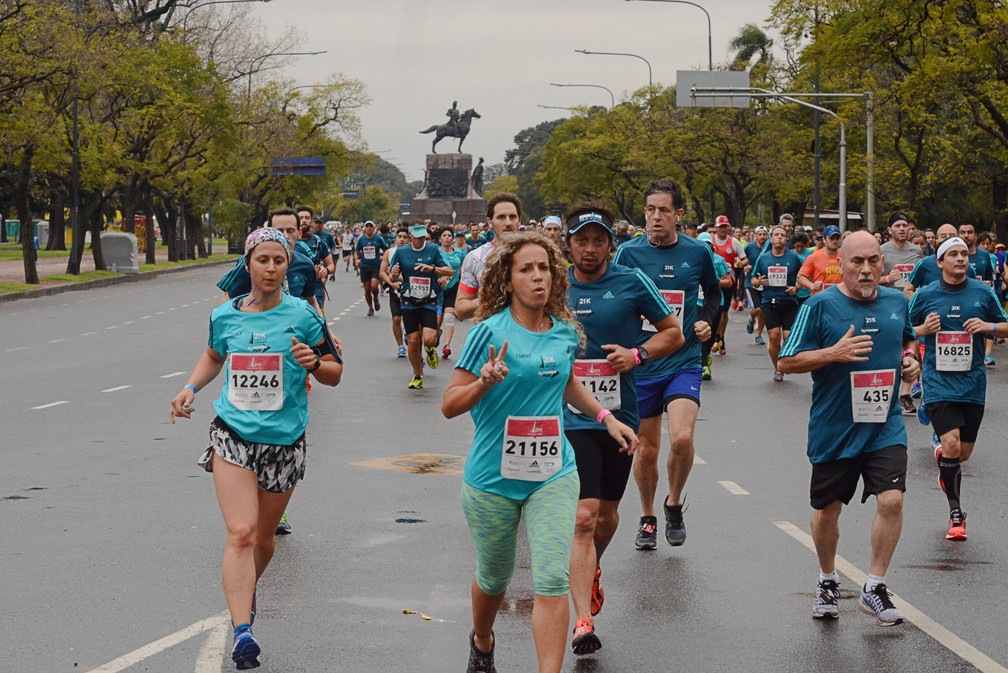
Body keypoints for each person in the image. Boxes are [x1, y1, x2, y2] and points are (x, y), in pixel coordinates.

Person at [441, 232, 639, 673]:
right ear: (508, 281)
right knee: (494, 579)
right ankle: (482, 638)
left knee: (551, 579)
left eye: (544, 268)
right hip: (492, 479)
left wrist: (608, 419)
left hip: (553, 473)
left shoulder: (566, 333)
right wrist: (483, 381)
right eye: (526, 269)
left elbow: (567, 382)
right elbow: (449, 405)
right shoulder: (488, 332)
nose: (537, 277)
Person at [169, 227, 343, 669]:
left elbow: (335, 371)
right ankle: (243, 628)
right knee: (241, 533)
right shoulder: (224, 315)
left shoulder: (304, 314)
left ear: (287, 266)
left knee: (263, 539)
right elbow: (213, 355)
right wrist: (190, 387)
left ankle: (246, 591)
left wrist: (315, 362)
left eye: (278, 261)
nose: (270, 268)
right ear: (247, 264)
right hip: (233, 434)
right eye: (262, 260)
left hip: (284, 442)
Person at [778, 231, 919, 627]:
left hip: (884, 425)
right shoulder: (821, 305)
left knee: (892, 501)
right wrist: (832, 354)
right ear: (842, 262)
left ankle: (874, 586)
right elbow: (786, 362)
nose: (867, 269)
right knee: (827, 512)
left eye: (874, 260)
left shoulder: (896, 301)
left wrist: (910, 361)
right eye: (858, 261)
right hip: (835, 427)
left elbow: (906, 341)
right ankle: (827, 578)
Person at [562, 203, 683, 655]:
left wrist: (637, 355)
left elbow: (673, 331)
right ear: (568, 244)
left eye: (598, 241)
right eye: (581, 241)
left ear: (610, 244)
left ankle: (589, 569)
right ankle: (582, 620)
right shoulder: (553, 285)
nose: (589, 249)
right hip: (568, 415)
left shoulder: (631, 282)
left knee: (607, 516)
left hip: (621, 417)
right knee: (583, 514)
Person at [612, 179, 720, 549]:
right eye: (650, 210)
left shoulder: (697, 252)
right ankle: (647, 516)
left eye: (664, 210)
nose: (656, 217)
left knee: (684, 437)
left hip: (683, 359)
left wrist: (707, 320)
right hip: (641, 363)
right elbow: (614, 296)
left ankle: (674, 502)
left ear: (679, 215)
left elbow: (715, 292)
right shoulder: (627, 254)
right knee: (647, 449)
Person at [908, 236, 1008, 540]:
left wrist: (988, 327)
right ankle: (955, 514)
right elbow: (901, 330)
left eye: (964, 253)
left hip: (972, 383)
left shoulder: (983, 293)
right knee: (951, 445)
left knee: (962, 453)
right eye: (953, 254)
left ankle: (942, 451)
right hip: (938, 382)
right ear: (939, 262)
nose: (961, 258)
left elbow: (1005, 325)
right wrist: (923, 332)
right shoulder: (925, 295)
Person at [390, 223, 453, 389]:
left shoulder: (433, 249)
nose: (419, 241)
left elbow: (449, 271)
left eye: (422, 237)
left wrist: (432, 268)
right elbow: (393, 276)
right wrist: (395, 275)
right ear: (410, 236)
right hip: (409, 302)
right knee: (412, 340)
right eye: (416, 237)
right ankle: (417, 375)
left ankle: (430, 349)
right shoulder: (401, 252)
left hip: (429, 301)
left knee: (429, 339)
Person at [455, 193, 523, 321]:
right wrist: (490, 297)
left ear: (519, 221)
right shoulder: (474, 258)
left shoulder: (535, 254)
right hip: (490, 336)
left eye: (513, 217)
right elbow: (460, 310)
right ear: (490, 222)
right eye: (501, 217)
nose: (508, 222)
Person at [751, 225, 804, 382]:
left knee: (788, 337)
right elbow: (753, 279)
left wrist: (796, 288)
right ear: (771, 238)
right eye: (776, 235)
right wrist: (757, 282)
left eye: (783, 235)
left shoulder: (794, 258)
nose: (780, 237)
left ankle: (786, 361)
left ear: (786, 238)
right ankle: (778, 368)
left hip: (789, 302)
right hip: (769, 301)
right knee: (774, 336)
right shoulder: (764, 258)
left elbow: (802, 278)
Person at [379, 227, 411, 358]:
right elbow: (382, 272)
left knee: (409, 319)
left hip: (410, 290)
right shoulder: (390, 252)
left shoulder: (412, 253)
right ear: (396, 238)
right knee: (396, 318)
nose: (402, 239)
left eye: (405, 237)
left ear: (409, 239)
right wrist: (391, 283)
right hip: (395, 290)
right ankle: (400, 346)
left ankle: (408, 332)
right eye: (400, 237)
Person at [436, 225, 466, 359]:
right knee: (436, 321)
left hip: (452, 289)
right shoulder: (435, 252)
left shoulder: (459, 253)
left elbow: (465, 269)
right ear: (440, 239)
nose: (447, 238)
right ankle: (436, 333)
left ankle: (446, 346)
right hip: (437, 291)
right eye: (444, 236)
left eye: (449, 236)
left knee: (449, 318)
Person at [354, 221, 388, 316]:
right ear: (365, 228)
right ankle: (370, 307)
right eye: (367, 226)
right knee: (367, 289)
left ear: (374, 228)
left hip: (375, 266)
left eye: (370, 226)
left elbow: (386, 250)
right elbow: (356, 252)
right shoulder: (361, 240)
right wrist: (357, 260)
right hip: (364, 266)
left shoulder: (378, 238)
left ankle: (376, 298)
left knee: (374, 286)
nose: (369, 228)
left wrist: (384, 257)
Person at [743, 226, 769, 345]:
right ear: (756, 236)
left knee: (763, 310)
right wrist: (744, 266)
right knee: (757, 308)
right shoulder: (749, 247)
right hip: (751, 281)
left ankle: (758, 335)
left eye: (764, 234)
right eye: (760, 234)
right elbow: (742, 259)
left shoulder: (770, 248)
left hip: (764, 282)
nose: (762, 236)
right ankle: (751, 319)